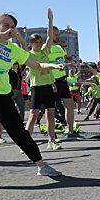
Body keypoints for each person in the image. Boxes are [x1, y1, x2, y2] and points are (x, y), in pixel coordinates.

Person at [0, 12, 62, 191]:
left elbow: (37, 66)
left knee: (19, 132)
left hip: (1, 94)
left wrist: (54, 66)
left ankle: (41, 166)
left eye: (12, 26)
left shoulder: (14, 50)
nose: (9, 28)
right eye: (5, 24)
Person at [24, 9, 61, 150]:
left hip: (48, 87)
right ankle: (26, 143)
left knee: (51, 115)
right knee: (33, 115)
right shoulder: (28, 55)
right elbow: (39, 66)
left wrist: (50, 21)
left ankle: (52, 141)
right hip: (36, 87)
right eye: (36, 42)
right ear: (31, 44)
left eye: (40, 42)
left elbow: (50, 37)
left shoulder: (45, 50)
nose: (39, 44)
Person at [48, 26, 79, 137]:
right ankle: (51, 134)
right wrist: (51, 82)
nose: (58, 37)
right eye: (55, 34)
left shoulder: (59, 48)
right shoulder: (44, 48)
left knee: (70, 105)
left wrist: (65, 47)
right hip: (51, 80)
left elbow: (69, 59)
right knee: (50, 109)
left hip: (62, 79)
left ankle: (70, 131)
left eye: (58, 34)